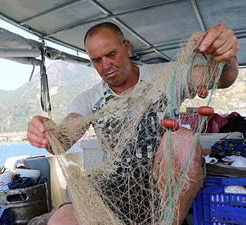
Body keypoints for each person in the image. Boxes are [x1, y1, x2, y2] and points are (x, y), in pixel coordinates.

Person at [27, 22, 239, 224]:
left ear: (126, 47)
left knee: (181, 139)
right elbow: (63, 140)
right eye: (97, 60)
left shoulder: (167, 75)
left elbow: (222, 78)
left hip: (165, 187)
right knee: (61, 220)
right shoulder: (88, 99)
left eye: (111, 54)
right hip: (115, 189)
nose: (106, 65)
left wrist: (226, 55)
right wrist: (46, 133)